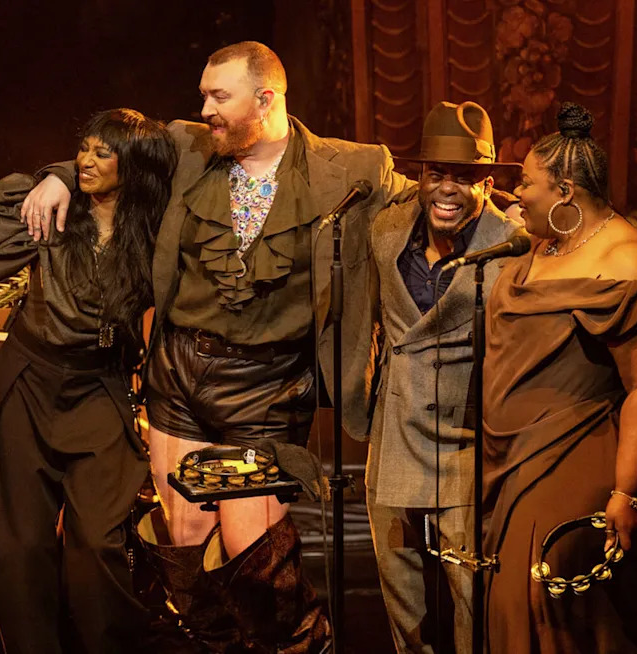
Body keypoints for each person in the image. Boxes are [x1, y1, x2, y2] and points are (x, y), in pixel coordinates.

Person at [21, 41, 413, 652]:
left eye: (219, 96)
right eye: (204, 94)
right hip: (179, 372)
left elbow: (429, 203)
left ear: (267, 98)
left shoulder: (352, 168)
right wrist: (58, 176)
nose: (205, 108)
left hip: (264, 385)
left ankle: (301, 646)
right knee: (182, 544)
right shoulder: (186, 146)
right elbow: (109, 156)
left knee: (252, 555)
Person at [0, 108, 178, 654]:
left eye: (102, 152)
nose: (85, 160)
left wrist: (63, 174)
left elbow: (184, 143)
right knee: (18, 547)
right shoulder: (48, 208)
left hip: (100, 387)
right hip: (29, 381)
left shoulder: (156, 222)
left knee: (97, 543)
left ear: (135, 166)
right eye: (83, 149)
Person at [481, 103, 637, 653]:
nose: (518, 195)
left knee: (547, 599)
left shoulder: (626, 264)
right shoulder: (550, 242)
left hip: (576, 456)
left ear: (565, 190)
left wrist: (625, 495)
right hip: (513, 460)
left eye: (526, 183)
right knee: (508, 597)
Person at [365, 101, 521, 653]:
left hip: (466, 439)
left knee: (471, 587)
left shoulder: (512, 246)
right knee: (399, 585)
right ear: (420, 176)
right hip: (395, 430)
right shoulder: (386, 229)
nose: (447, 190)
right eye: (437, 175)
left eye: (463, 177)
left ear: (487, 179)